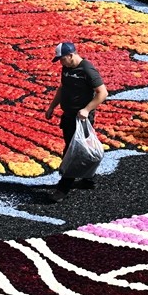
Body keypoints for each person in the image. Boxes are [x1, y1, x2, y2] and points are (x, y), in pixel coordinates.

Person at [45, 41, 107, 199]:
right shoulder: (66, 68)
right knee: (81, 148)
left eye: (62, 58)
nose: (60, 62)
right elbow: (62, 88)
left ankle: (63, 189)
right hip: (68, 116)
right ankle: (88, 180)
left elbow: (102, 93)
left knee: (73, 151)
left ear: (71, 55)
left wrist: (86, 110)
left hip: (81, 119)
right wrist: (52, 107)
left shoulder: (87, 69)